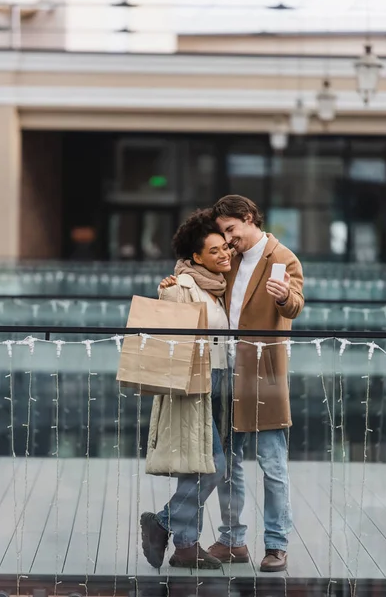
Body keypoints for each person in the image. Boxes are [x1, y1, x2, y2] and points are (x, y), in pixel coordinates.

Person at [206, 194, 304, 573]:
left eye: (231, 230)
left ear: (249, 219)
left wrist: (283, 300)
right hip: (228, 374)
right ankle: (232, 540)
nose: (228, 239)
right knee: (228, 464)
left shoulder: (282, 257)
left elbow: (295, 303)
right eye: (223, 234)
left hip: (264, 374)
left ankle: (277, 545)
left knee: (273, 464)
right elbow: (205, 278)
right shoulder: (231, 260)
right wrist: (177, 275)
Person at [140, 209, 243, 570]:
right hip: (191, 385)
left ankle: (185, 548)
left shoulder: (217, 288)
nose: (224, 255)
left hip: (217, 383)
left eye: (225, 248)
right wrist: (164, 293)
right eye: (213, 251)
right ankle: (164, 522)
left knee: (194, 466)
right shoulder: (184, 286)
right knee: (213, 466)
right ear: (196, 257)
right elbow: (165, 332)